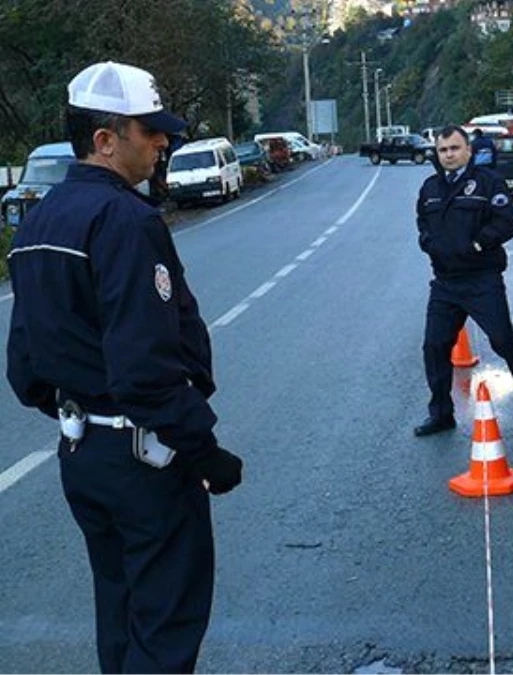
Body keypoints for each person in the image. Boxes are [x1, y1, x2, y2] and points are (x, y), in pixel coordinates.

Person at [5, 61, 243, 673]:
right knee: (164, 631)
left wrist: (81, 405)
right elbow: (147, 369)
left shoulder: (37, 222)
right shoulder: (126, 221)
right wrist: (203, 449)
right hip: (145, 461)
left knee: (119, 617)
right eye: (150, 130)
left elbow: (25, 368)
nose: (164, 141)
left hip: (83, 458)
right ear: (105, 140)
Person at [413, 125, 513, 436]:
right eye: (443, 150)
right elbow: (422, 224)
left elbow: (506, 223)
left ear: (468, 150)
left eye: (455, 148)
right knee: (434, 345)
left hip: (482, 278)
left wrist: (478, 243)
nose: (449, 155)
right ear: (437, 153)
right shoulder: (430, 188)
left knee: (502, 338)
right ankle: (442, 414)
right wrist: (430, 244)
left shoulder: (488, 183)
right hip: (445, 282)